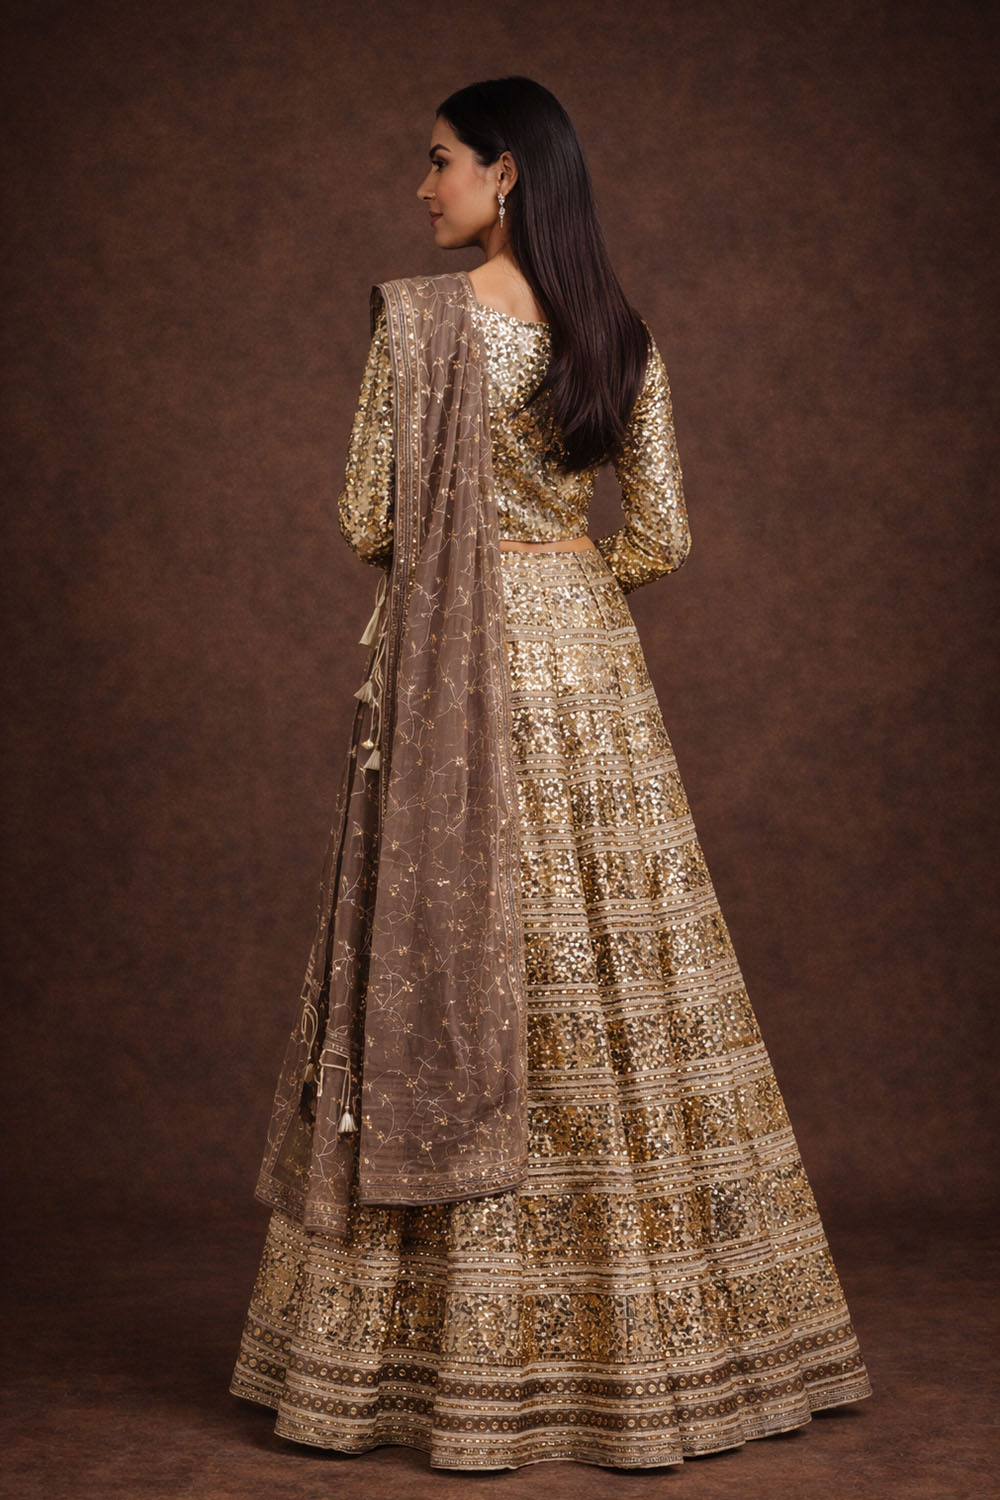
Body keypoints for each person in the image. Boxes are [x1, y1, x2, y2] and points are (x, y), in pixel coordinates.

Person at [229, 75, 873, 1472]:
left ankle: (425, 1358)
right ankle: (659, 1341)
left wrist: (475, 582)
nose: (425, 188)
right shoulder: (618, 332)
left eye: (440, 161)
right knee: (612, 976)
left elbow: (366, 518)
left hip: (451, 667)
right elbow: (665, 535)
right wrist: (565, 579)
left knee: (455, 959)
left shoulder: (419, 323)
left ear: (506, 171)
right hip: (589, 665)